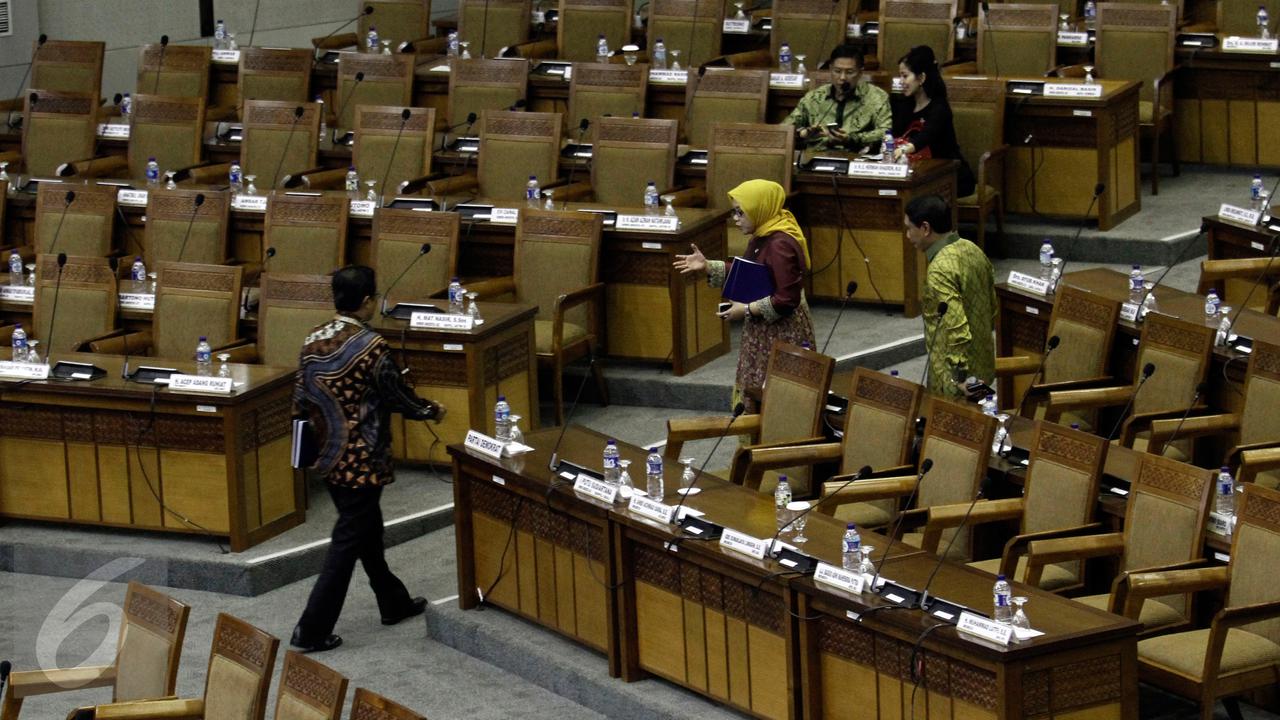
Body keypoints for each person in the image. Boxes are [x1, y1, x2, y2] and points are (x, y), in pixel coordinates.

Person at [291, 265, 445, 653]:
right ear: (365, 301)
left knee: (366, 532)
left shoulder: (313, 338)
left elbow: (299, 399)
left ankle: (392, 601)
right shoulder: (371, 345)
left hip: (326, 456)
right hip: (361, 459)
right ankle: (311, 628)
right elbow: (396, 396)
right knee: (347, 543)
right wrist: (430, 411)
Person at [673, 179, 816, 413]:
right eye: (734, 212)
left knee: (780, 401)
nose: (736, 219)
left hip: (783, 335)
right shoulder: (763, 233)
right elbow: (751, 275)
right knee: (757, 390)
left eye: (741, 212)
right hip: (763, 334)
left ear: (760, 208)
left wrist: (746, 310)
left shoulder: (780, 244)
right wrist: (707, 265)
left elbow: (786, 299)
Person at [903, 194, 996, 399]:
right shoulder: (972, 249)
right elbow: (993, 306)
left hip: (955, 382)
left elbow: (955, 325)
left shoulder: (939, 269)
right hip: (982, 368)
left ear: (925, 228)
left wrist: (959, 376)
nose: (908, 236)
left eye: (910, 228)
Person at [891, 45, 976, 197]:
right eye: (900, 76)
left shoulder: (939, 107)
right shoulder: (903, 104)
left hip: (949, 175)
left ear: (922, 77)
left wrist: (904, 149)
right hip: (917, 172)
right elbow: (894, 134)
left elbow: (926, 135)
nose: (901, 81)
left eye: (905, 76)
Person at [786, 44, 891, 153]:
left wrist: (852, 139)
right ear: (830, 69)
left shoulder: (876, 97)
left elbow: (886, 133)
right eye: (837, 71)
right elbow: (785, 130)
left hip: (856, 159)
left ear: (860, 72)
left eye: (849, 72)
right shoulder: (814, 97)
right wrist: (804, 133)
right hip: (817, 157)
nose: (842, 78)